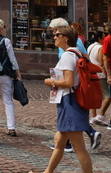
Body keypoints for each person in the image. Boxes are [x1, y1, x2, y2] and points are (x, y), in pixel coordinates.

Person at [38, 24, 92, 173]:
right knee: (59, 143)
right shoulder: (77, 53)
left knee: (79, 147)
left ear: (66, 38)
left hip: (70, 102)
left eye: (57, 35)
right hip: (71, 101)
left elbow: (68, 82)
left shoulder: (68, 55)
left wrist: (51, 82)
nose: (54, 37)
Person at [87, 32, 111, 127]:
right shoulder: (100, 48)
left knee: (94, 95)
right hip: (100, 74)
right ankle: (100, 115)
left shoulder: (90, 47)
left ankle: (93, 116)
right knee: (108, 96)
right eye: (104, 37)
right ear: (100, 39)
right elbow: (102, 62)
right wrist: (107, 74)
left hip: (91, 73)